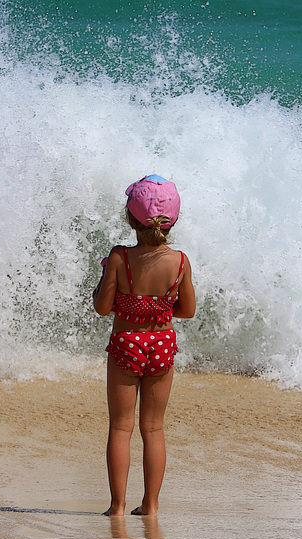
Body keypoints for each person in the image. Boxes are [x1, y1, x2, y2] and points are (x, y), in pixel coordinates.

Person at [92, 175, 196, 516]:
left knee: (121, 426)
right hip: (162, 344)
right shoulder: (180, 261)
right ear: (173, 221)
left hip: (126, 342)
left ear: (130, 219)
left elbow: (102, 307)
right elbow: (187, 310)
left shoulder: (120, 257)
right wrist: (157, 306)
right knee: (153, 428)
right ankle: (150, 505)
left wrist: (107, 285)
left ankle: (117, 507)